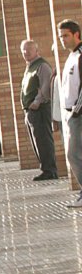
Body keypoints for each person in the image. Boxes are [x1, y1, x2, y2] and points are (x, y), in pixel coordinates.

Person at [19, 39, 58, 181]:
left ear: (37, 50)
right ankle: (45, 168)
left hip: (40, 109)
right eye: (23, 50)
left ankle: (50, 170)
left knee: (43, 140)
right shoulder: (30, 66)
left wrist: (36, 102)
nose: (26, 52)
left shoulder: (41, 66)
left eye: (29, 49)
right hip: (31, 111)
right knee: (37, 141)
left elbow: (46, 86)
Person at [58, 20, 82, 207]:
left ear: (76, 34)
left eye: (65, 35)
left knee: (73, 154)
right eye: (60, 37)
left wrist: (76, 110)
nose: (62, 40)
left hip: (78, 114)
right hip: (70, 114)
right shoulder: (71, 57)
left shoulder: (81, 55)